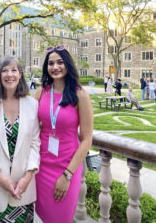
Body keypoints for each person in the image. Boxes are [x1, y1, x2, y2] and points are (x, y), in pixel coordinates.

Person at [0, 56, 40, 223]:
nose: (9, 74)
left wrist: (28, 177)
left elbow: (35, 144)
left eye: (14, 70)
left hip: (21, 190)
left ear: (20, 75)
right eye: (4, 70)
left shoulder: (33, 105)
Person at [34, 45, 93, 223]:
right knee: (45, 216)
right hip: (42, 166)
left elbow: (87, 139)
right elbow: (32, 129)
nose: (55, 67)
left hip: (67, 166)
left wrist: (67, 175)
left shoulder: (80, 95)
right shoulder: (40, 92)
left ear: (68, 65)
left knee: (61, 217)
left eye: (60, 62)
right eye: (50, 63)